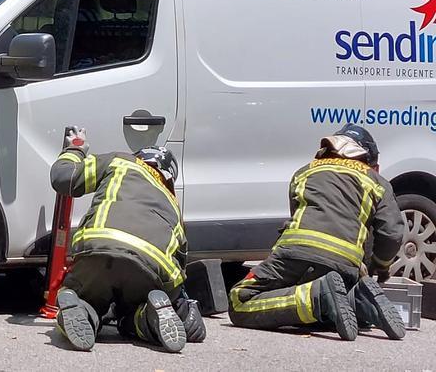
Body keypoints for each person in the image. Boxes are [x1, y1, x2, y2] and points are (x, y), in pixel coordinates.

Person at [228, 124, 406, 341]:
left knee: (240, 300)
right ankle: (356, 299)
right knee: (328, 309)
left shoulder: (304, 172)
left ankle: (319, 297)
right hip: (346, 265)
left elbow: (299, 218)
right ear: (369, 161)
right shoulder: (377, 182)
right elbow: (391, 233)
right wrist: (380, 267)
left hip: (296, 254)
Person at [51, 127, 204, 353]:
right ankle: (146, 318)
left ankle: (83, 309)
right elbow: (178, 269)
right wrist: (177, 303)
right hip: (149, 267)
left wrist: (75, 150)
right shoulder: (174, 206)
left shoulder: (120, 162)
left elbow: (64, 178)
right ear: (168, 178)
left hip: (99, 251)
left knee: (87, 299)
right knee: (130, 315)